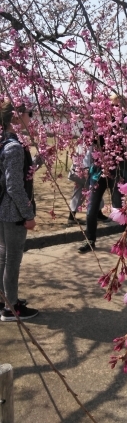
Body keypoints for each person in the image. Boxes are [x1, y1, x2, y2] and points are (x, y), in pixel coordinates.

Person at [77, 95, 127, 253]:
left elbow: (124, 140)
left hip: (118, 168)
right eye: (110, 105)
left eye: (116, 106)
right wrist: (90, 134)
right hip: (99, 169)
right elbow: (94, 142)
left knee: (119, 207)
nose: (113, 109)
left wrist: (114, 123)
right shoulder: (100, 121)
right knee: (92, 207)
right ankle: (90, 239)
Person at [0, 101, 39, 321]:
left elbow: (15, 175)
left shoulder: (4, 143)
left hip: (2, 208)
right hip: (13, 212)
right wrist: (28, 215)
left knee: (4, 257)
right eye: (28, 114)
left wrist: (36, 163)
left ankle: (4, 299)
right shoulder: (14, 147)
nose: (30, 118)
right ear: (16, 117)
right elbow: (15, 185)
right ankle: (11, 308)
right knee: (12, 260)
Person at [67, 145, 109, 226]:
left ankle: (71, 217)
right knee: (94, 190)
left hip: (77, 170)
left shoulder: (82, 141)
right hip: (83, 171)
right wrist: (86, 171)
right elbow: (86, 157)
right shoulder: (88, 141)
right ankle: (98, 214)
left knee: (78, 193)